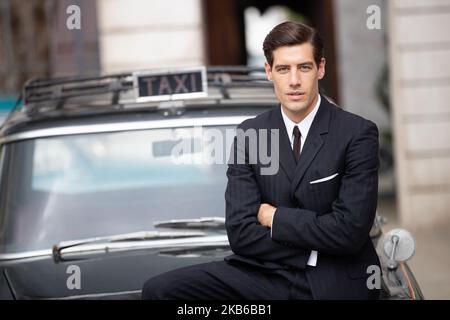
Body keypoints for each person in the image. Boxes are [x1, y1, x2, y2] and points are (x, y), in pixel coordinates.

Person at [142, 21, 381, 300]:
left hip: (335, 278)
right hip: (263, 274)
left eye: (304, 67)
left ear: (321, 68)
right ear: (269, 72)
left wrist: (274, 217)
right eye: (283, 69)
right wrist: (312, 247)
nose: (294, 81)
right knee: (160, 290)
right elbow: (241, 232)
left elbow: (349, 232)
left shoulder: (358, 133)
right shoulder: (250, 134)